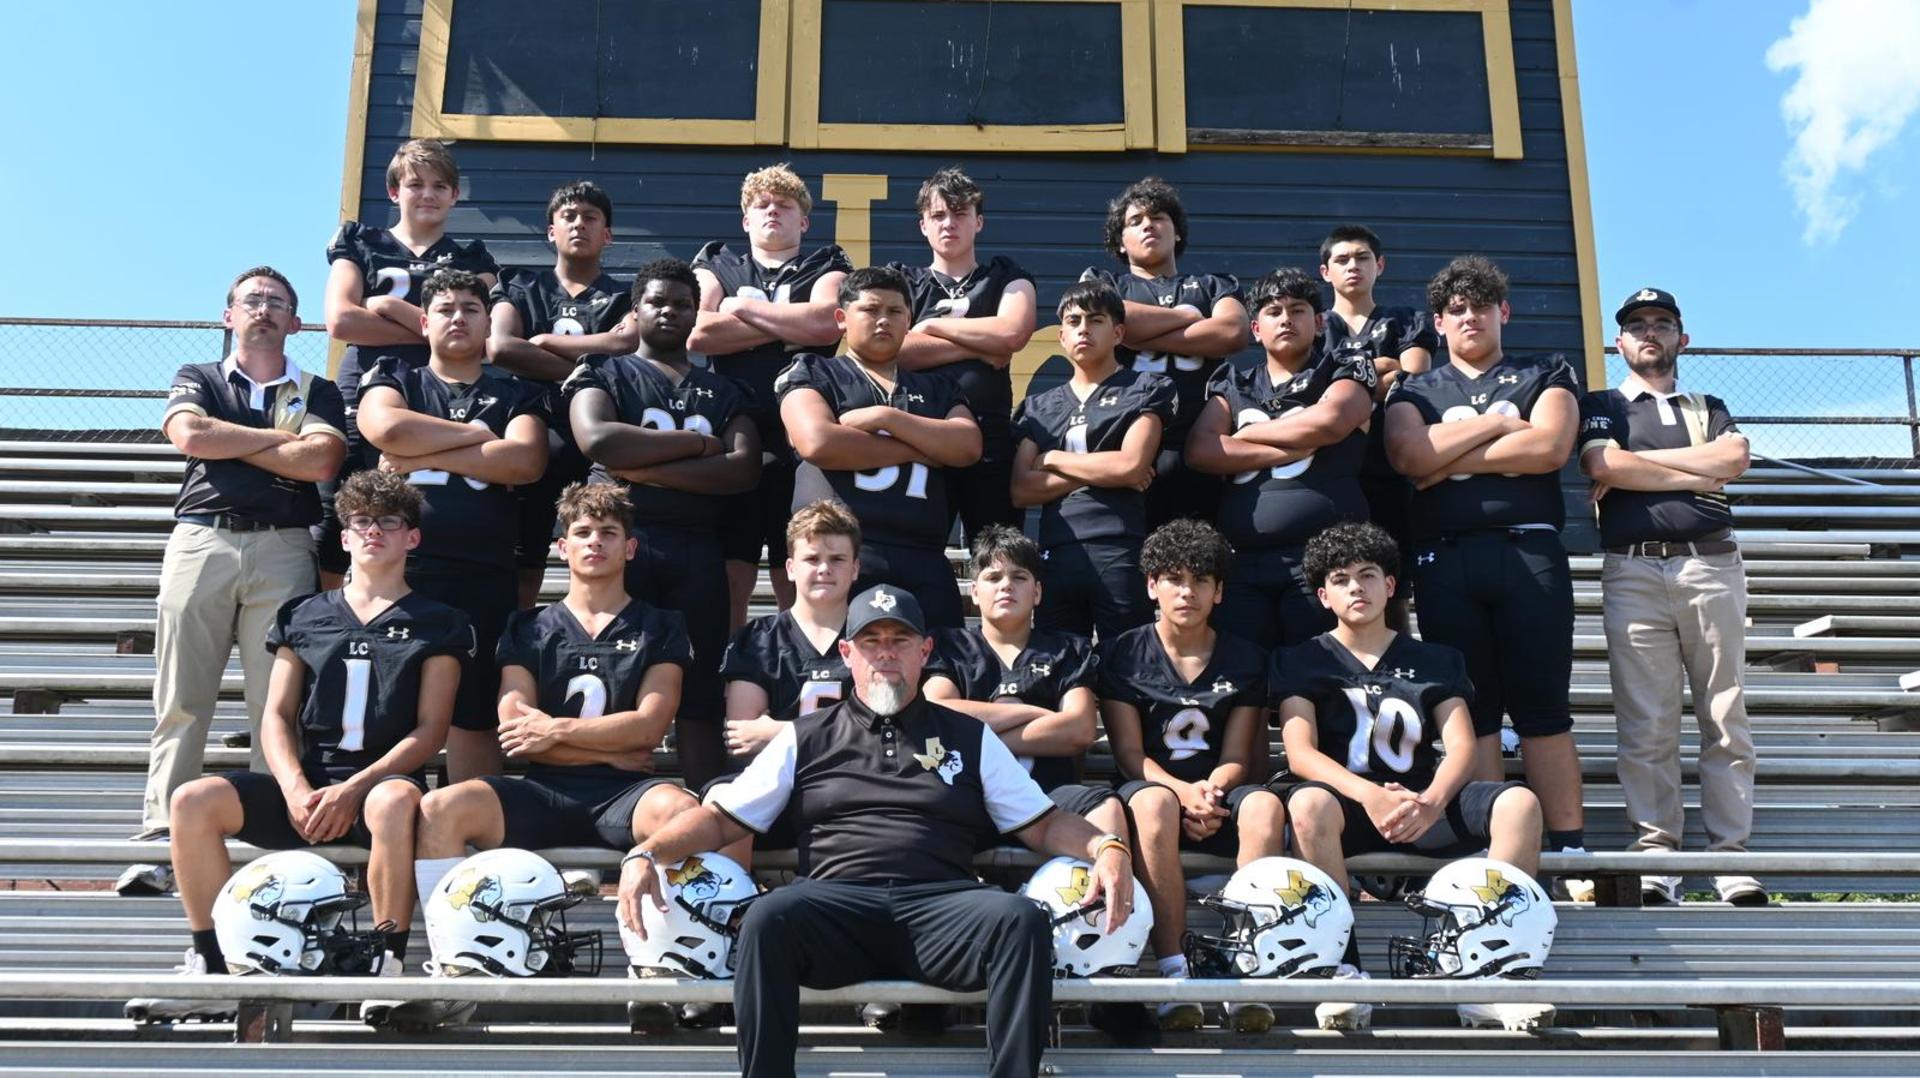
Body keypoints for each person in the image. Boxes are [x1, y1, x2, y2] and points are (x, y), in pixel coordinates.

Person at [617, 583, 1134, 1078]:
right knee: (769, 918)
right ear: (847, 653)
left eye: (900, 640)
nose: (885, 653)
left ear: (925, 650)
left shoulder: (969, 736)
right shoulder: (804, 736)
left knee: (1019, 920)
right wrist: (645, 854)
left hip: (941, 907)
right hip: (836, 907)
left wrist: (1105, 845)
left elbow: (1043, 825)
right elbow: (720, 818)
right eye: (871, 641)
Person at [126, 470, 470, 1022]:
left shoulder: (439, 623)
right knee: (191, 800)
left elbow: (429, 731)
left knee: (393, 800)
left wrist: (353, 790)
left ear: (413, 538)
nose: (373, 531)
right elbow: (277, 715)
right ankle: (214, 964)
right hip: (307, 788)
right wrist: (294, 787)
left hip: (379, 788)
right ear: (344, 537)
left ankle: (387, 966)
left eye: (388, 522)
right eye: (361, 522)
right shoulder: (304, 614)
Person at [397, 482, 702, 1031]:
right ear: (561, 547)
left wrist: (556, 730)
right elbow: (515, 723)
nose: (595, 543)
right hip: (543, 789)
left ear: (630, 549)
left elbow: (650, 724)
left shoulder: (662, 625)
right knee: (438, 809)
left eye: (609, 534)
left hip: (622, 794)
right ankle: (456, 963)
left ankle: (660, 969)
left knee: (683, 814)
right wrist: (607, 740)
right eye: (582, 533)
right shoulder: (529, 625)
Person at [1275, 521, 1549, 1032]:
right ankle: (1342, 969)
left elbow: (1463, 745)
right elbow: (1300, 753)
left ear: (1390, 585)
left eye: (1368, 574)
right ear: (1323, 595)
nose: (1356, 587)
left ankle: (1492, 974)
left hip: (1423, 802)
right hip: (1349, 806)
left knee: (1519, 804)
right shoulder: (1300, 660)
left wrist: (1429, 801)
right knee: (1307, 803)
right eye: (1341, 578)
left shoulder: (1435, 658)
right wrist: (1370, 796)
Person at [1383, 255, 1587, 867]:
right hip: (1445, 558)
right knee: (1474, 712)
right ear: (1438, 324)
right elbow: (1409, 459)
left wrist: (1449, 455)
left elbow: (1550, 447)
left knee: (1543, 707)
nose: (1469, 317)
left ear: (1504, 311)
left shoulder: (1546, 370)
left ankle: (1570, 851)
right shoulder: (1415, 388)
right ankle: (1497, 851)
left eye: (1480, 306)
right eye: (1455, 310)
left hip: (1530, 552)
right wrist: (1501, 431)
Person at [140, 267, 347, 845]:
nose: (263, 308)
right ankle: (164, 827)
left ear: (295, 321)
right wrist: (284, 440)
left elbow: (321, 463)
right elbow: (192, 438)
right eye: (251, 300)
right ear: (228, 315)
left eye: (276, 301)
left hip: (283, 544)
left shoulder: (318, 389)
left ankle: (269, 831)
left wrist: (230, 435)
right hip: (202, 539)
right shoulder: (198, 374)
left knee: (274, 705)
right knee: (181, 696)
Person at [1579, 287, 1762, 907]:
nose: (1649, 332)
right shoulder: (1602, 404)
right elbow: (1604, 465)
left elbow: (1735, 456)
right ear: (1620, 342)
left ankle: (1730, 858)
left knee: (1723, 715)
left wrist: (1646, 466)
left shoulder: (1708, 403)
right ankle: (1657, 854)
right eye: (1636, 325)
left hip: (1711, 565)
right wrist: (1697, 469)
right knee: (1647, 722)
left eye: (1661, 323)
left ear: (1682, 337)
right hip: (1633, 571)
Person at [568, 257, 763, 791]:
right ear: (636, 310)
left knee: (699, 690)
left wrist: (639, 468)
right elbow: (599, 441)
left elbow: (742, 470)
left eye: (682, 303)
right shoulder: (603, 370)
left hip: (697, 551)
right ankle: (604, 800)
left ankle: (706, 808)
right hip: (623, 547)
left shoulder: (725, 392)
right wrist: (700, 446)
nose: (670, 311)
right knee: (615, 675)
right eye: (658, 301)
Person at [356, 268, 549, 781]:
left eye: (470, 309)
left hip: (484, 571)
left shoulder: (517, 393)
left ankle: (464, 834)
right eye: (445, 309)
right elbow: (386, 426)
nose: (457, 317)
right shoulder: (396, 375)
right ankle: (391, 829)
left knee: (475, 712)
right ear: (423, 322)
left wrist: (419, 454)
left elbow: (525, 461)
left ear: (488, 322)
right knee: (393, 706)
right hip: (403, 572)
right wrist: (481, 440)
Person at [1097, 519, 1283, 1033]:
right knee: (1154, 803)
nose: (1188, 591)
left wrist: (1211, 792)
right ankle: (1174, 966)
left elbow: (1238, 753)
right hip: (1154, 792)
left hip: (1217, 790)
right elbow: (1129, 755)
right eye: (1174, 578)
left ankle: (1245, 961)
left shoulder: (1245, 656)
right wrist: (1182, 793)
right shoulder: (1123, 652)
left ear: (1219, 592)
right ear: (1152, 585)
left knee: (1266, 805)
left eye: (1201, 580)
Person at [321, 138, 499, 588]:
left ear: (455, 195)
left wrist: (389, 308)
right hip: (364, 383)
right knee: (340, 503)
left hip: (437, 387)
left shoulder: (471, 256)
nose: (428, 194)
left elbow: (484, 336)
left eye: (440, 185)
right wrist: (433, 332)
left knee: (421, 495)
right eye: (416, 184)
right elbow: (341, 320)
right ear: (394, 191)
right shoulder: (362, 242)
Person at [691, 164, 852, 628]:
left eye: (784, 206)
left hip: (799, 439)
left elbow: (826, 323)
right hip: (734, 434)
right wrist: (786, 327)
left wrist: (740, 309)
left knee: (796, 566)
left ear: (803, 221)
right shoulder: (717, 261)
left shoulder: (827, 263)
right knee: (732, 570)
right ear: (746, 220)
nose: (772, 212)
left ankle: (794, 673)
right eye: (762, 206)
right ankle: (727, 679)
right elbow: (698, 331)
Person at [777, 267, 982, 629]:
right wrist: (923, 447)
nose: (883, 320)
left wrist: (887, 419)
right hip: (842, 554)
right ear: (842, 318)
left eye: (895, 311)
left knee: (942, 669)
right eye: (871, 310)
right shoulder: (812, 370)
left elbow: (967, 445)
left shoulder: (938, 386)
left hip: (923, 554)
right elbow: (818, 441)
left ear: (910, 321)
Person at [1186, 267, 1374, 651]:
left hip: (1324, 559)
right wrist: (1289, 445)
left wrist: (1245, 435)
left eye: (1297, 309)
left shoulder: (1342, 366)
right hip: (1244, 565)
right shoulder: (1233, 382)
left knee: (1317, 677)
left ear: (1319, 322)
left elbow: (1330, 422)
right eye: (1273, 311)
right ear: (1256, 329)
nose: (1286, 319)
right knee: (1246, 684)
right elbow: (1201, 450)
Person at [489, 180, 639, 608]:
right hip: (533, 432)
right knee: (525, 556)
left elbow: (624, 345)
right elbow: (500, 346)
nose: (579, 224)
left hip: (597, 441)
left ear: (607, 234)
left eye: (591, 218)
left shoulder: (624, 295)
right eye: (569, 217)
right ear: (551, 230)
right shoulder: (518, 286)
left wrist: (539, 342)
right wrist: (590, 366)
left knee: (602, 544)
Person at [924, 526, 1124, 840]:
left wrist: (973, 738)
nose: (1006, 586)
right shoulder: (950, 646)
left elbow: (1080, 729)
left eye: (1019, 577)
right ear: (974, 591)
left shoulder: (1067, 649)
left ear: (1038, 592)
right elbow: (937, 714)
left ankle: (1108, 891)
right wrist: (1038, 714)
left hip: (1048, 797)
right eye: (993, 578)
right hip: (968, 791)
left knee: (1108, 809)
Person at [1079, 178, 1248, 529]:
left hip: (1199, 446)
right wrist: (1189, 319)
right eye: (1135, 221)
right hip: (1123, 444)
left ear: (1178, 233)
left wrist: (1138, 335)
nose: (1148, 225)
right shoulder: (1104, 281)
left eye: (1158, 217)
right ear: (1120, 242)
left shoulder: (1215, 284)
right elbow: (1104, 321)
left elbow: (1232, 332)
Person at [1010, 281, 1174, 642]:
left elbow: (1131, 465)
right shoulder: (1038, 407)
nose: (1083, 328)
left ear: (1118, 333)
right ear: (1062, 337)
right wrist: (1106, 470)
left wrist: (1052, 458)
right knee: (1062, 668)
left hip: (1119, 546)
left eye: (1095, 320)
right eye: (1073, 321)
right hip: (1056, 549)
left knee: (1128, 666)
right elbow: (1022, 489)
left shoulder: (1146, 388)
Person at [888, 167, 1039, 543]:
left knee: (998, 557)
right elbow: (894, 349)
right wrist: (981, 345)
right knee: (916, 550)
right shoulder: (902, 281)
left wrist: (929, 328)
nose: (949, 224)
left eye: (960, 214)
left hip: (991, 437)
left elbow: (1011, 332)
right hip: (920, 432)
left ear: (979, 222)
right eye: (938, 215)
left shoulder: (1005, 277)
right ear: (923, 225)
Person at [1318, 224, 1437, 630]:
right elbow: (1313, 393)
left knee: (1392, 593)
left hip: (1390, 472)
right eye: (1342, 259)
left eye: (1363, 258)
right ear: (1325, 272)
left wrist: (1349, 389)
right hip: (1328, 471)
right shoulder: (1314, 326)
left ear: (1380, 265)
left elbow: (1414, 377)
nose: (1353, 266)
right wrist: (1379, 372)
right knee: (1327, 591)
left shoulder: (1406, 321)